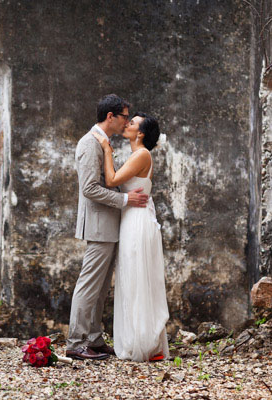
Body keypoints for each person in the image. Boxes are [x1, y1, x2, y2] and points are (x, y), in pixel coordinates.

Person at [66, 94, 149, 360]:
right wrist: (126, 199)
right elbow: (89, 188)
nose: (127, 121)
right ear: (111, 116)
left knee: (101, 288)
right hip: (99, 225)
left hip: (110, 225)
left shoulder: (104, 143)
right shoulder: (90, 143)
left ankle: (93, 338)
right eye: (125, 116)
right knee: (89, 285)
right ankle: (76, 342)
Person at [91, 112, 170, 362]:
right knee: (131, 278)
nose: (128, 124)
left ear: (141, 133)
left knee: (138, 277)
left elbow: (112, 179)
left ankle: (145, 342)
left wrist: (106, 149)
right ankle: (138, 339)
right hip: (131, 218)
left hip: (137, 221)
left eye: (133, 123)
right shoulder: (137, 155)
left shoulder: (142, 154)